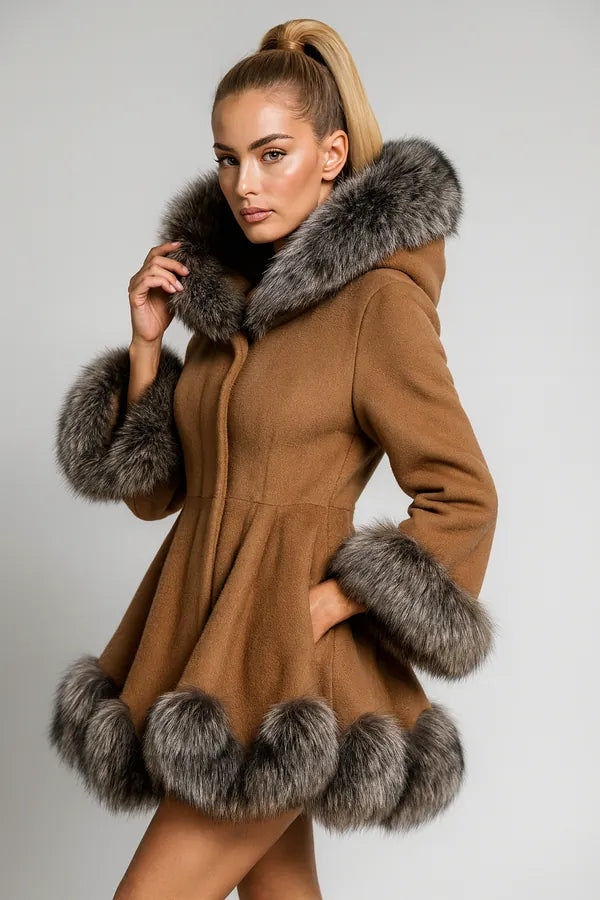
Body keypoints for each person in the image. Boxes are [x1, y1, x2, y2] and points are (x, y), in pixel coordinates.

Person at [49, 17, 499, 900]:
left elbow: (463, 496)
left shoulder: (377, 305)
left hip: (288, 669)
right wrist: (147, 347)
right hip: (212, 650)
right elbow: (163, 496)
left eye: (271, 154)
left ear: (332, 155)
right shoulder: (229, 308)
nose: (243, 185)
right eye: (227, 159)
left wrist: (334, 602)